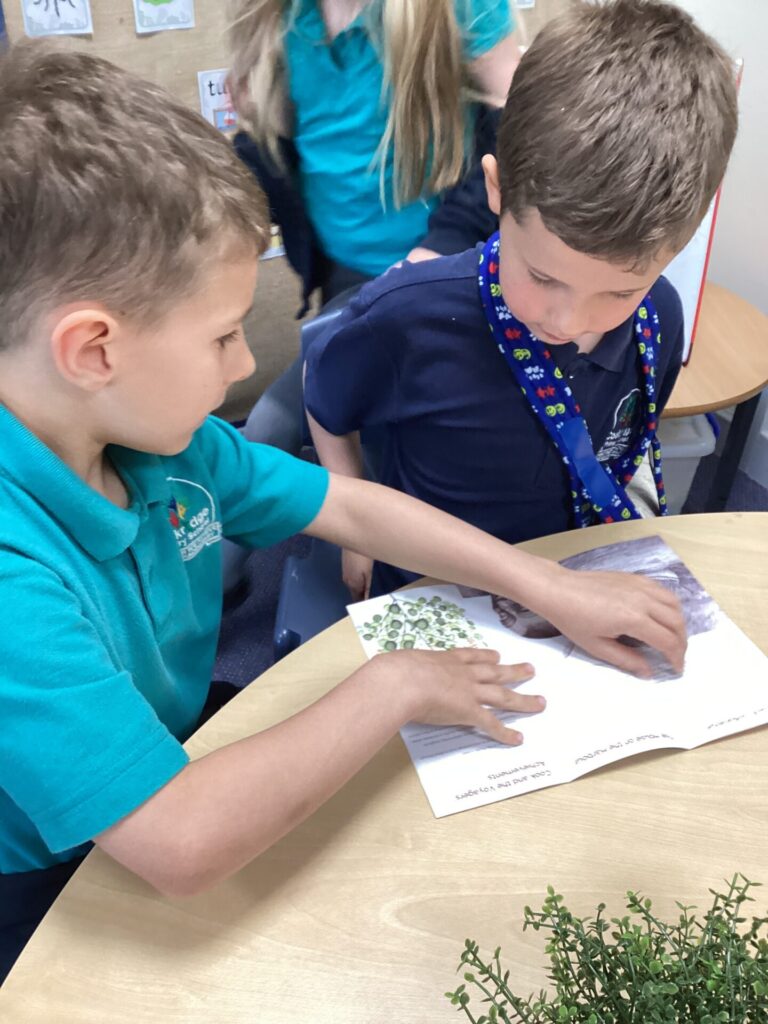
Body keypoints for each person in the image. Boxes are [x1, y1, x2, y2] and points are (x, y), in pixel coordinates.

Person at [0, 43, 687, 982]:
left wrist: (547, 586)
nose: (247, 367)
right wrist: (393, 685)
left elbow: (352, 508)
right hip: (46, 873)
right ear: (93, 350)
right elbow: (177, 841)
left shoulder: (165, 443)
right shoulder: (15, 579)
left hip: (168, 742)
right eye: (223, 336)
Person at [303, 0, 739, 600]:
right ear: (497, 189)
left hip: (573, 585)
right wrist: (357, 531)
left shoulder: (659, 317)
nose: (567, 321)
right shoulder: (405, 315)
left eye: (619, 291)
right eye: (542, 276)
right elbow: (324, 398)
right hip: (432, 589)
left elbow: (627, 447)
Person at [228, 0, 521, 456]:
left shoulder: (459, 8)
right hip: (345, 283)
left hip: (442, 277)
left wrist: (449, 240)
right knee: (281, 434)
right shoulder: (285, 17)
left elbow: (516, 131)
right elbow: (278, 148)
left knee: (397, 446)